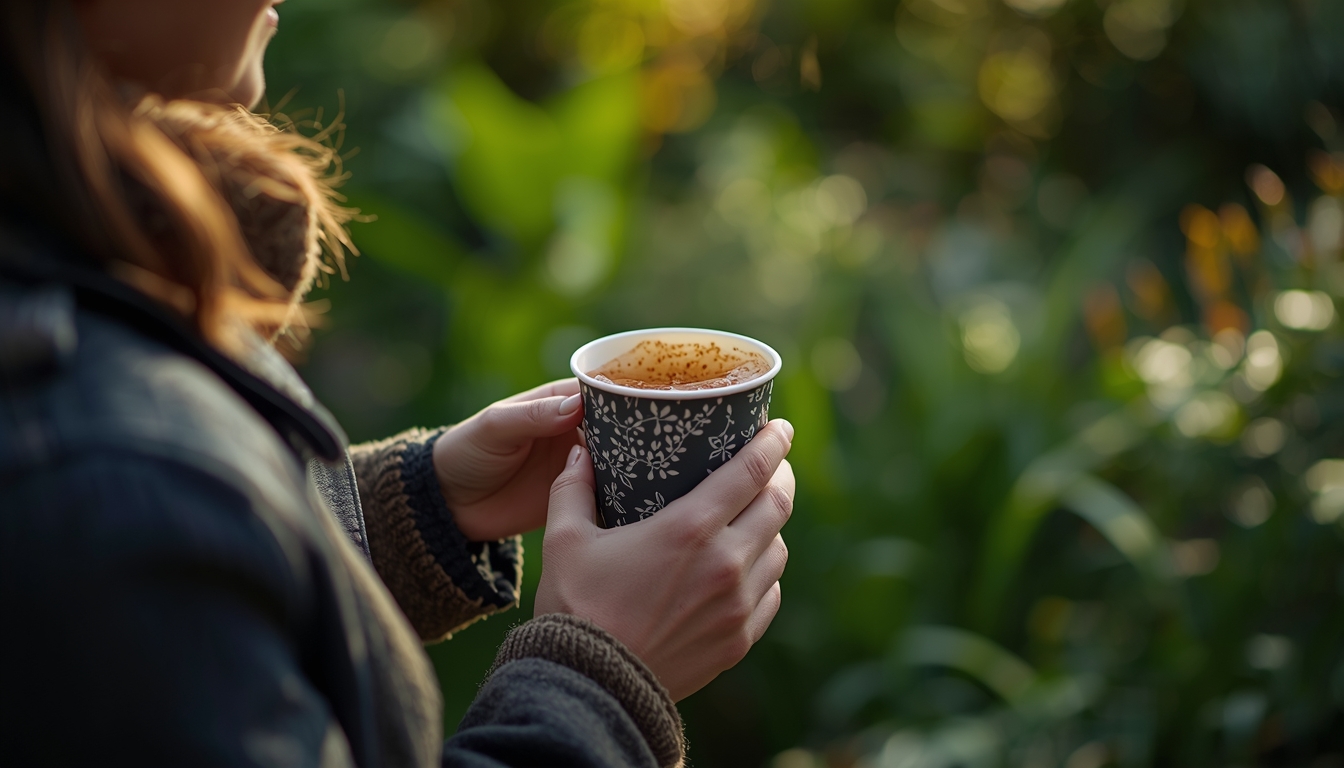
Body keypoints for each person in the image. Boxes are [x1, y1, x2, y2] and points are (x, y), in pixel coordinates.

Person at [0, 1, 795, 766]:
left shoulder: (72, 304)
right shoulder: (98, 476)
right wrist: (603, 675)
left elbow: (182, 649)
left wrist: (415, 510)